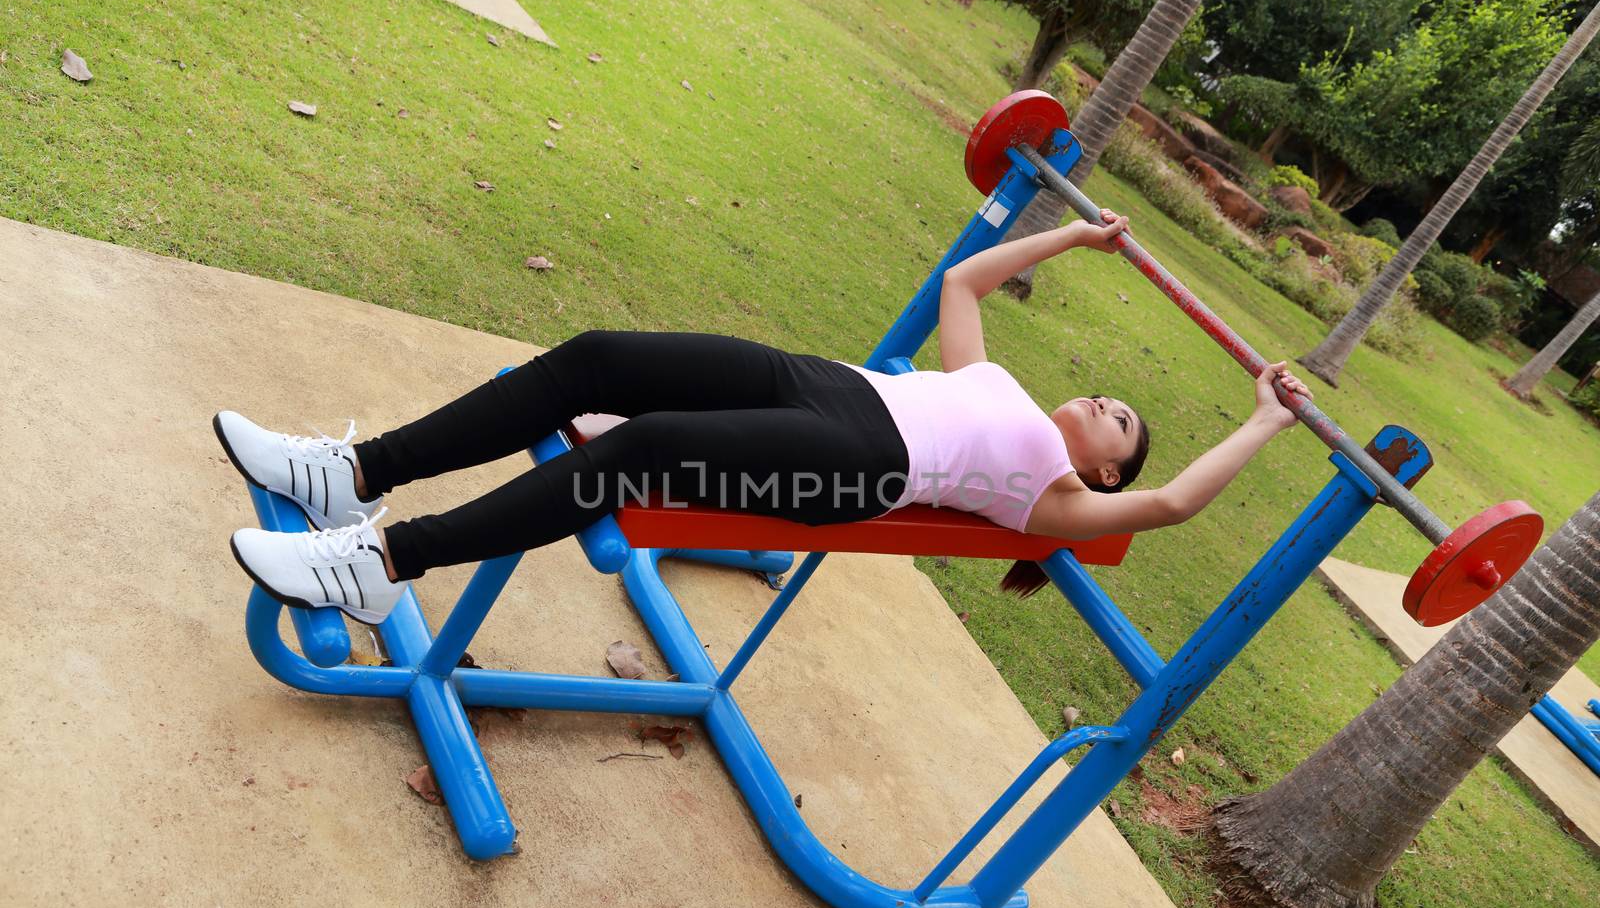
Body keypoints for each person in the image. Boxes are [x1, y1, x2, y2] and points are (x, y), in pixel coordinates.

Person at [219, 209, 1310, 623]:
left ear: (1102, 473)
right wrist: (1071, 237)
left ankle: (381, 563)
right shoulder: (998, 385)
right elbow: (963, 289)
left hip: (855, 461)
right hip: (822, 382)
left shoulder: (1055, 493)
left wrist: (1263, 418)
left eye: (1114, 420)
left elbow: (1169, 503)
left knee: (635, 452)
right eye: (1111, 397)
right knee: (597, 358)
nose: (1101, 402)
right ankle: (355, 472)